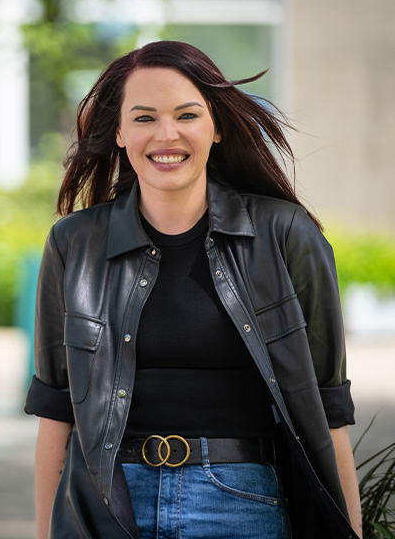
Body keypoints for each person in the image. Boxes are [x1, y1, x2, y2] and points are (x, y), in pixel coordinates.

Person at [24, 40, 363, 539]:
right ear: (118, 132)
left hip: (241, 498)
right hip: (110, 502)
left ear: (216, 126)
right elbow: (56, 411)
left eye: (187, 114)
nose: (167, 135)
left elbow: (327, 406)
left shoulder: (285, 234)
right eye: (143, 118)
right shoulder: (74, 243)